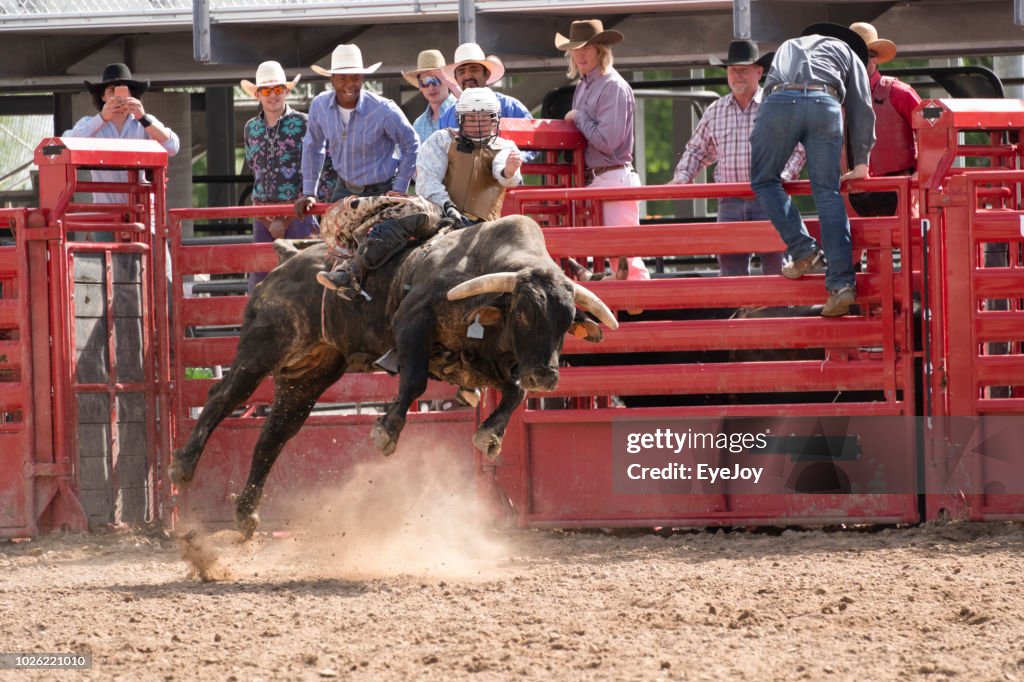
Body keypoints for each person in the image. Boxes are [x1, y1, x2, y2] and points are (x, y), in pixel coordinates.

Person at [750, 23, 875, 317]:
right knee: (827, 193)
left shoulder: (790, 44)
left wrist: (766, 138)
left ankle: (803, 249)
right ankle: (842, 285)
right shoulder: (849, 54)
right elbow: (861, 106)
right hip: (825, 103)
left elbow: (768, 97)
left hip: (780, 101)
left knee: (765, 181)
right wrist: (861, 162)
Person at [670, 40, 806, 277]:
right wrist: (682, 177)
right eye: (733, 70)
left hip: (769, 199)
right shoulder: (716, 110)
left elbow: (799, 146)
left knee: (778, 269)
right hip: (730, 202)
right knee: (731, 273)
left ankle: (776, 313)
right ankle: (739, 313)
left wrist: (784, 175)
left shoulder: (775, 106)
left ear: (759, 71)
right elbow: (696, 150)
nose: (737, 75)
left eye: (743, 69)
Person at [556, 19, 649, 282]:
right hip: (598, 178)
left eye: (587, 47)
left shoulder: (612, 86)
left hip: (613, 176)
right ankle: (638, 312)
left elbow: (607, 141)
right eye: (575, 48)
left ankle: (648, 312)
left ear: (600, 50)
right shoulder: (586, 85)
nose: (580, 53)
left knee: (625, 256)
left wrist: (578, 117)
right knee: (614, 255)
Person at [294, 44, 418, 219]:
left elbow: (410, 143)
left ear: (362, 79)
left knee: (379, 243)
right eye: (342, 78)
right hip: (344, 187)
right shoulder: (320, 106)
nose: (349, 84)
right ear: (332, 80)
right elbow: (313, 147)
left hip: (381, 190)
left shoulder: (383, 109)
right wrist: (308, 192)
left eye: (355, 78)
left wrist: (399, 189)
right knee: (337, 242)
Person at [65, 63, 180, 240]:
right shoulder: (90, 124)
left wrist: (143, 117)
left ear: (133, 96)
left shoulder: (145, 123)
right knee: (106, 265)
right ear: (102, 96)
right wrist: (102, 118)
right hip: (105, 216)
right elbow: (66, 143)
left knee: (159, 264)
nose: (118, 97)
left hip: (142, 215)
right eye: (112, 91)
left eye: (125, 91)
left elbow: (172, 146)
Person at [240, 61, 317, 292]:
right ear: (258, 95)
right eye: (266, 90)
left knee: (304, 277)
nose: (272, 95)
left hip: (298, 211)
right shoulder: (250, 128)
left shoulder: (304, 123)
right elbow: (255, 167)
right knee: (260, 282)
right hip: (262, 214)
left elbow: (320, 165)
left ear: (286, 91)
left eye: (277, 89)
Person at [416, 87, 523, 225]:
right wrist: (447, 206)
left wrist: (508, 171)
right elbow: (428, 180)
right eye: (471, 119)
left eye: (484, 118)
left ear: (494, 120)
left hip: (485, 226)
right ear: (461, 119)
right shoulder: (442, 140)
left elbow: (504, 173)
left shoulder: (505, 147)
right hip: (441, 216)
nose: (478, 124)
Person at [847, 22, 922, 218]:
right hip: (853, 191)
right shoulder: (835, 99)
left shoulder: (899, 92)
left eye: (861, 57)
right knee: (850, 245)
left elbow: (932, 133)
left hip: (899, 189)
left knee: (910, 244)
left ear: (875, 59)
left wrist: (920, 174)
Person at [436, 44, 532, 129]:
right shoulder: (447, 117)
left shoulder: (510, 107)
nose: (468, 76)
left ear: (487, 74)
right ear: (456, 78)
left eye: (474, 69)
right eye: (461, 71)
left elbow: (532, 146)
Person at [404, 49, 456, 143]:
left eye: (436, 79)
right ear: (419, 85)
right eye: (425, 81)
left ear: (446, 80)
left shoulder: (462, 110)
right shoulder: (419, 124)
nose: (431, 86)